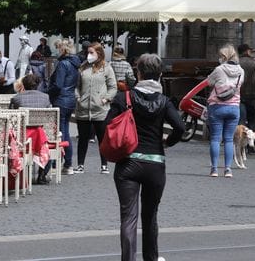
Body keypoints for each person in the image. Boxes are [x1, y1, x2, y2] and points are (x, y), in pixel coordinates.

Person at [105, 53, 185, 261]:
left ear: (138, 72)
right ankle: (151, 258)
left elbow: (107, 125)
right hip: (155, 164)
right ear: (159, 75)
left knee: (128, 217)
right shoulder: (164, 101)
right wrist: (167, 142)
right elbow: (180, 127)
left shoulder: (125, 98)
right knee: (150, 217)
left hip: (128, 163)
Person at [74, 42, 117, 174]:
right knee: (83, 138)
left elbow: (113, 87)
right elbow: (77, 86)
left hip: (100, 110)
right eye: (88, 52)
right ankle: (80, 164)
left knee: (102, 139)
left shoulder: (107, 68)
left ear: (99, 53)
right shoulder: (83, 67)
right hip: (83, 109)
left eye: (91, 52)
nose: (89, 55)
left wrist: (105, 99)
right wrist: (78, 98)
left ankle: (104, 165)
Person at [206, 44, 244, 178]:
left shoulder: (219, 69)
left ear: (224, 56)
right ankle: (228, 169)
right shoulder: (241, 71)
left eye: (221, 56)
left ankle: (214, 169)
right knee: (229, 140)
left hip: (217, 106)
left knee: (215, 138)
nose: (219, 58)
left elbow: (209, 82)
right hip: (234, 107)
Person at [48, 38, 81, 175]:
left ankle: (60, 162)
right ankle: (67, 163)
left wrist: (47, 91)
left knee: (60, 132)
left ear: (62, 49)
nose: (55, 51)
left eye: (57, 48)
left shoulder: (62, 64)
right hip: (70, 99)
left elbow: (58, 85)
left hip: (61, 99)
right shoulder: (74, 63)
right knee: (65, 131)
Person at [237, 44, 255, 146]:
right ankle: (250, 145)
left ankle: (240, 144)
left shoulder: (236, 63)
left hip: (238, 97)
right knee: (252, 121)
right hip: (252, 97)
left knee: (241, 121)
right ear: (247, 51)